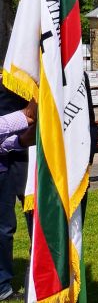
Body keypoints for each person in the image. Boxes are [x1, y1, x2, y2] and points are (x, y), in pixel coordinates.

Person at [0, 82, 35, 302]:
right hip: (7, 156)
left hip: (33, 153)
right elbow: (29, 115)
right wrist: (26, 118)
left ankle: (42, 279)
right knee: (3, 226)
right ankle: (2, 284)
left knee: (39, 221)